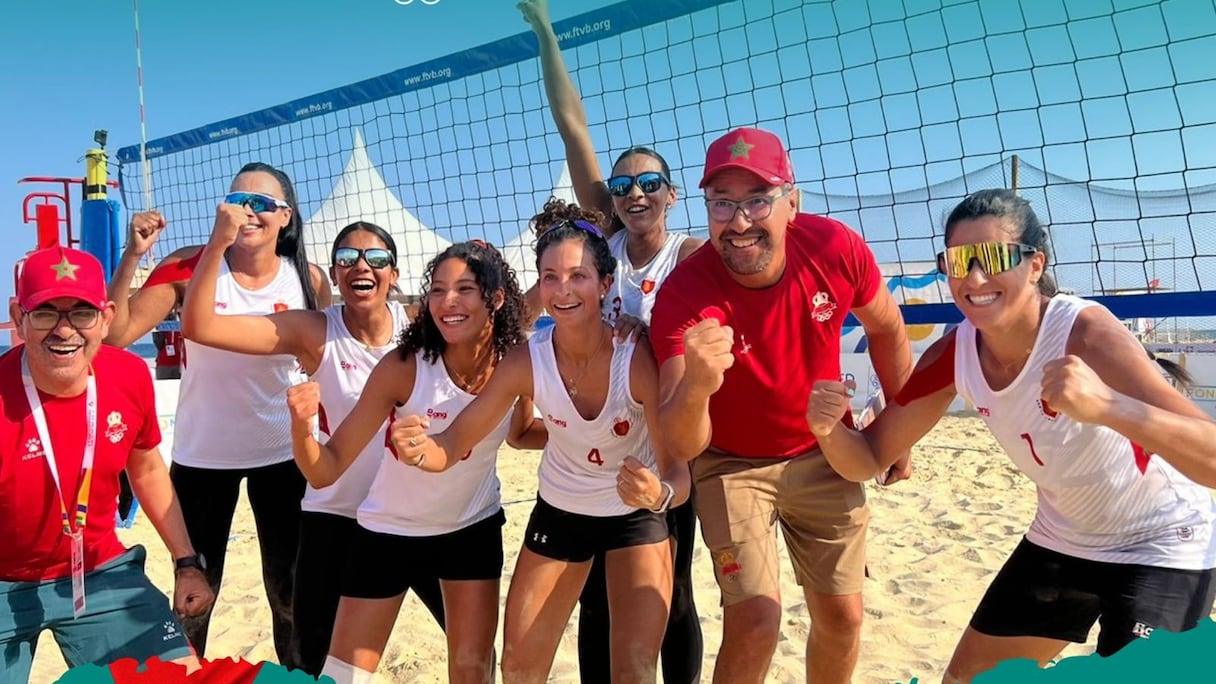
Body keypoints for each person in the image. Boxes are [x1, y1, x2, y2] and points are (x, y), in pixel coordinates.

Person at [805, 189, 1216, 683]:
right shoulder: (953, 353)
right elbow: (869, 458)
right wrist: (828, 429)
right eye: (959, 261)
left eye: (994, 258)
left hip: (1165, 542)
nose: (974, 278)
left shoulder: (1084, 334)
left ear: (1035, 264)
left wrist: (1109, 407)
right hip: (1065, 539)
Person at [649, 126, 914, 684]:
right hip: (729, 461)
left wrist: (896, 432)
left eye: (756, 200)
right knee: (755, 620)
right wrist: (697, 383)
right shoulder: (683, 294)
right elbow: (679, 443)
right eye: (722, 203)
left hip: (823, 448)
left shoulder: (836, 248)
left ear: (792, 203)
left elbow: (888, 330)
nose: (738, 221)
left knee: (843, 616)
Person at [393, 202, 692, 683]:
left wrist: (660, 494)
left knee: (634, 670)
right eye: (550, 277)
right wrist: (418, 450)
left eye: (578, 276)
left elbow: (679, 472)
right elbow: (451, 442)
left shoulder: (634, 358)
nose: (563, 289)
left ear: (605, 285)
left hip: (634, 516)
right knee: (519, 666)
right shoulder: (525, 358)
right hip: (561, 511)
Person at [518, 2, 706, 679]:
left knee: (672, 590)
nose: (633, 192)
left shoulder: (692, 257)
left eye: (649, 183)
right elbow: (573, 125)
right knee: (600, 596)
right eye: (622, 184)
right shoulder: (605, 239)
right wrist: (544, 28)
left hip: (668, 439)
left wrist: (646, 332)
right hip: (602, 443)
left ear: (671, 195)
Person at [179, 218, 441, 676]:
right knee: (312, 658)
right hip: (334, 514)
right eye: (347, 259)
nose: (362, 266)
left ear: (394, 274)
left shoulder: (420, 325)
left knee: (469, 639)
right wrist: (220, 242)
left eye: (376, 258)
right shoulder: (314, 330)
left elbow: (500, 322)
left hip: (410, 514)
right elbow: (200, 325)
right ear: (334, 275)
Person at [104, 162, 333, 665]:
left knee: (291, 596)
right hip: (204, 455)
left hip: (284, 455)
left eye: (263, 204)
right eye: (239, 200)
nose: (249, 211)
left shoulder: (309, 278)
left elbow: (327, 363)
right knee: (194, 599)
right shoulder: (191, 266)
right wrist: (132, 256)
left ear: (286, 217)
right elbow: (115, 336)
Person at [288, 240, 543, 684]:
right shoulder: (404, 367)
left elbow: (521, 435)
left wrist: (585, 432)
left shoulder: (515, 363)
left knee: (472, 671)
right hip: (388, 531)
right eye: (438, 290)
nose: (448, 302)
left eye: (464, 289)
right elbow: (324, 469)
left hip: (470, 528)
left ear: (496, 298)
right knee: (342, 676)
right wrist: (301, 427)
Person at [0, 246, 214, 682]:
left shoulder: (129, 375)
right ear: (18, 316)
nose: (64, 330)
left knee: (182, 677)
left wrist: (186, 563)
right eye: (45, 312)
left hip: (99, 571)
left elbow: (148, 469)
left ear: (107, 316)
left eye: (81, 313)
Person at [151, 309, 183, 380]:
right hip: (164, 364)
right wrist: (165, 321)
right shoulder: (160, 319)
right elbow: (158, 343)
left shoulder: (183, 317)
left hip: (179, 364)